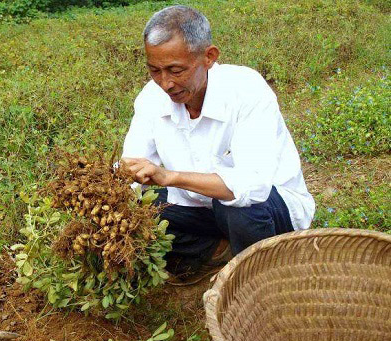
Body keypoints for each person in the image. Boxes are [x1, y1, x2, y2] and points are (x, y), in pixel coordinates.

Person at [120, 5, 315, 283]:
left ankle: (258, 276)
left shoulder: (246, 90)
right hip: (200, 208)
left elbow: (253, 187)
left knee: (234, 205)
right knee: (141, 207)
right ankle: (218, 249)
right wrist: (111, 187)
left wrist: (170, 176)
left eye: (176, 70)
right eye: (155, 70)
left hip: (268, 209)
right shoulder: (152, 98)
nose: (165, 83)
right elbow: (132, 164)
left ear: (209, 57)